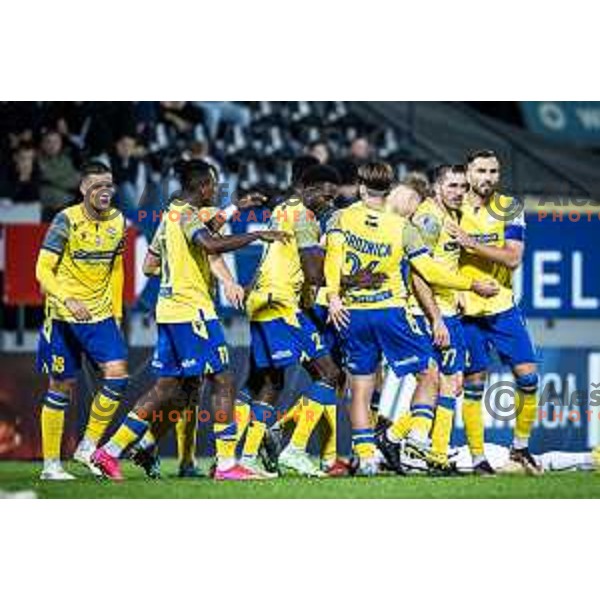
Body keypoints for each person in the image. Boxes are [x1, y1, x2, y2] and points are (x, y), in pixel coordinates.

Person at [91, 159, 289, 481]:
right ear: (202, 187)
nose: (216, 189)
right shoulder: (186, 215)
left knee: (167, 388)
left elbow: (150, 265)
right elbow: (209, 243)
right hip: (191, 311)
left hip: (169, 311)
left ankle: (109, 452)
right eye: (214, 183)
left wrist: (235, 209)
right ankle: (226, 465)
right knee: (222, 378)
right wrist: (257, 236)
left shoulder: (172, 215)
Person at [325, 162, 499, 475]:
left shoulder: (340, 218)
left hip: (352, 313)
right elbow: (429, 271)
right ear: (389, 190)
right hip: (391, 312)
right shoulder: (403, 227)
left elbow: (333, 260)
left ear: (361, 188)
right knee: (430, 376)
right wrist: (472, 284)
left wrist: (335, 297)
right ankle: (415, 440)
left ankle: (367, 458)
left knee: (361, 390)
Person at [239, 165, 345, 477]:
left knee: (272, 382)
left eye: (332, 199)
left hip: (265, 299)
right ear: (306, 188)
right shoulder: (304, 218)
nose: (328, 204)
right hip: (282, 303)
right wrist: (350, 277)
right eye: (325, 196)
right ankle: (295, 449)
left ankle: (247, 456)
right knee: (329, 374)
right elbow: (314, 274)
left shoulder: (282, 209)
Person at [446, 150, 542, 475]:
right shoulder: (452, 207)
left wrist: (471, 244)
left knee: (528, 378)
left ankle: (520, 449)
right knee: (474, 384)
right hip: (466, 311)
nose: (487, 177)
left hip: (502, 306)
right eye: (481, 171)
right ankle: (478, 460)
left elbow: (513, 258)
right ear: (468, 173)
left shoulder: (510, 208)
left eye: (493, 171)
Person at [35, 162, 128, 480]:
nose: (105, 191)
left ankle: (88, 445)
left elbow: (117, 268)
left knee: (117, 375)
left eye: (109, 185)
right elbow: (42, 269)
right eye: (98, 186)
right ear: (83, 189)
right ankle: (51, 466)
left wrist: (116, 311)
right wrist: (66, 298)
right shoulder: (66, 220)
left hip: (100, 315)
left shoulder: (118, 221)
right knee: (61, 386)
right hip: (63, 314)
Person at [409, 165, 496, 474]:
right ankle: (405, 442)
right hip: (428, 313)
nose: (459, 192)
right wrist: (435, 318)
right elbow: (418, 273)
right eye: (452, 186)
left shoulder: (454, 216)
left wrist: (455, 294)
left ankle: (431, 451)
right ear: (436, 188)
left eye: (462, 186)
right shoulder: (429, 220)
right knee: (439, 381)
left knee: (453, 382)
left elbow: (444, 265)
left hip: (448, 309)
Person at [37, 129, 80, 220]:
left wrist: (52, 180)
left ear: (61, 143)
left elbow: (75, 180)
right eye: (48, 142)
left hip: (66, 206)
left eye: (56, 142)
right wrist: (63, 178)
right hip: (45, 208)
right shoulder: (37, 161)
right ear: (42, 144)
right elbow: (43, 176)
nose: (52, 145)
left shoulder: (66, 160)